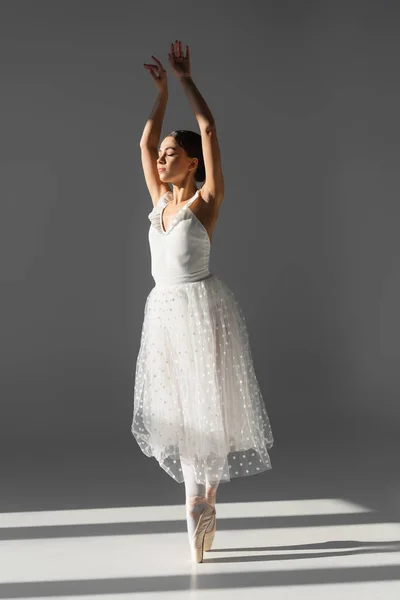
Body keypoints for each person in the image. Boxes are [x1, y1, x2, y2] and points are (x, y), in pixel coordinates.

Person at [132, 40, 274, 563]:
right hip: (164, 313)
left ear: (192, 163)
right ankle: (202, 498)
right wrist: (160, 94)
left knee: (204, 404)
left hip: (201, 308)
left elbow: (210, 129)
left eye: (174, 154)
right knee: (179, 407)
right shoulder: (159, 203)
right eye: (164, 154)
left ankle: (200, 497)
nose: (163, 158)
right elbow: (144, 144)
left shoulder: (205, 202)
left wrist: (187, 81)